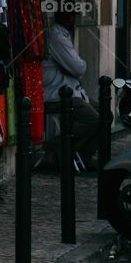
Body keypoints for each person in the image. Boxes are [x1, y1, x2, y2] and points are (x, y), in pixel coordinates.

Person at [42, 10, 100, 169]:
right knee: (94, 119)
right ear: (68, 18)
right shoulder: (57, 37)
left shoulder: (63, 35)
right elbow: (78, 68)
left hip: (71, 91)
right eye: (73, 16)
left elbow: (75, 67)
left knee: (105, 115)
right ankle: (56, 146)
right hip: (57, 94)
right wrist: (76, 66)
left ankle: (82, 157)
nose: (74, 20)